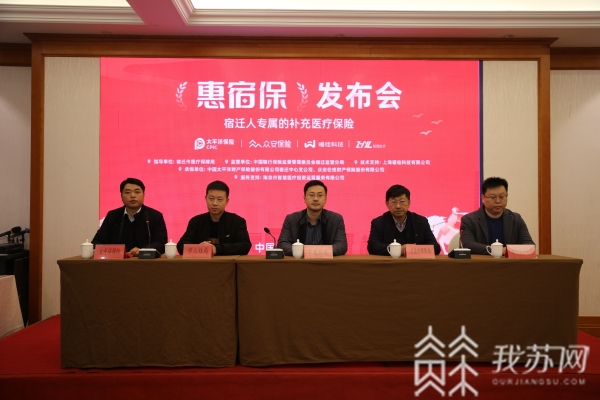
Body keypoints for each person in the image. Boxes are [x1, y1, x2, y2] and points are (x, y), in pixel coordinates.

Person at [92, 177, 168, 257]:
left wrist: (143, 250)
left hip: (144, 261)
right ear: (121, 195)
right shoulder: (113, 216)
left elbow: (161, 243)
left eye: (137, 192)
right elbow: (97, 241)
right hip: (117, 262)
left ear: (144, 195)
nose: (132, 196)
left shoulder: (154, 216)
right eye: (128, 192)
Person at [460, 177, 535, 255]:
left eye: (502, 197)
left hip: (509, 262)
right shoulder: (469, 220)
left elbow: (529, 246)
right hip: (481, 262)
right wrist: (499, 250)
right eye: (493, 197)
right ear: (483, 198)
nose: (498, 201)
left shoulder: (516, 219)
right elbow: (468, 245)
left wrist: (507, 251)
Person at [177, 180, 251, 256]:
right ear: (206, 199)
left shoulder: (237, 222)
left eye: (220, 199)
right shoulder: (196, 222)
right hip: (201, 263)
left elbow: (245, 246)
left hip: (227, 263)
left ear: (227, 201)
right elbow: (181, 246)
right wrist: (199, 248)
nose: (215, 203)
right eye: (211, 198)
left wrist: (216, 249)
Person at [277, 180, 347, 256]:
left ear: (325, 199)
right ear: (304, 198)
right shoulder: (291, 219)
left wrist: (311, 252)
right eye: (311, 195)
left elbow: (341, 246)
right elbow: (282, 245)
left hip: (326, 263)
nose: (315, 199)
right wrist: (308, 252)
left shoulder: (336, 219)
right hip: (300, 262)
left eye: (320, 195)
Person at [367, 184, 441, 256]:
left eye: (402, 201)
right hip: (389, 264)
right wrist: (398, 249)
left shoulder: (421, 222)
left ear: (409, 203)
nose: (398, 206)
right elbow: (372, 247)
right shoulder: (378, 223)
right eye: (393, 202)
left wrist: (412, 250)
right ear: (387, 204)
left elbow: (436, 247)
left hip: (414, 263)